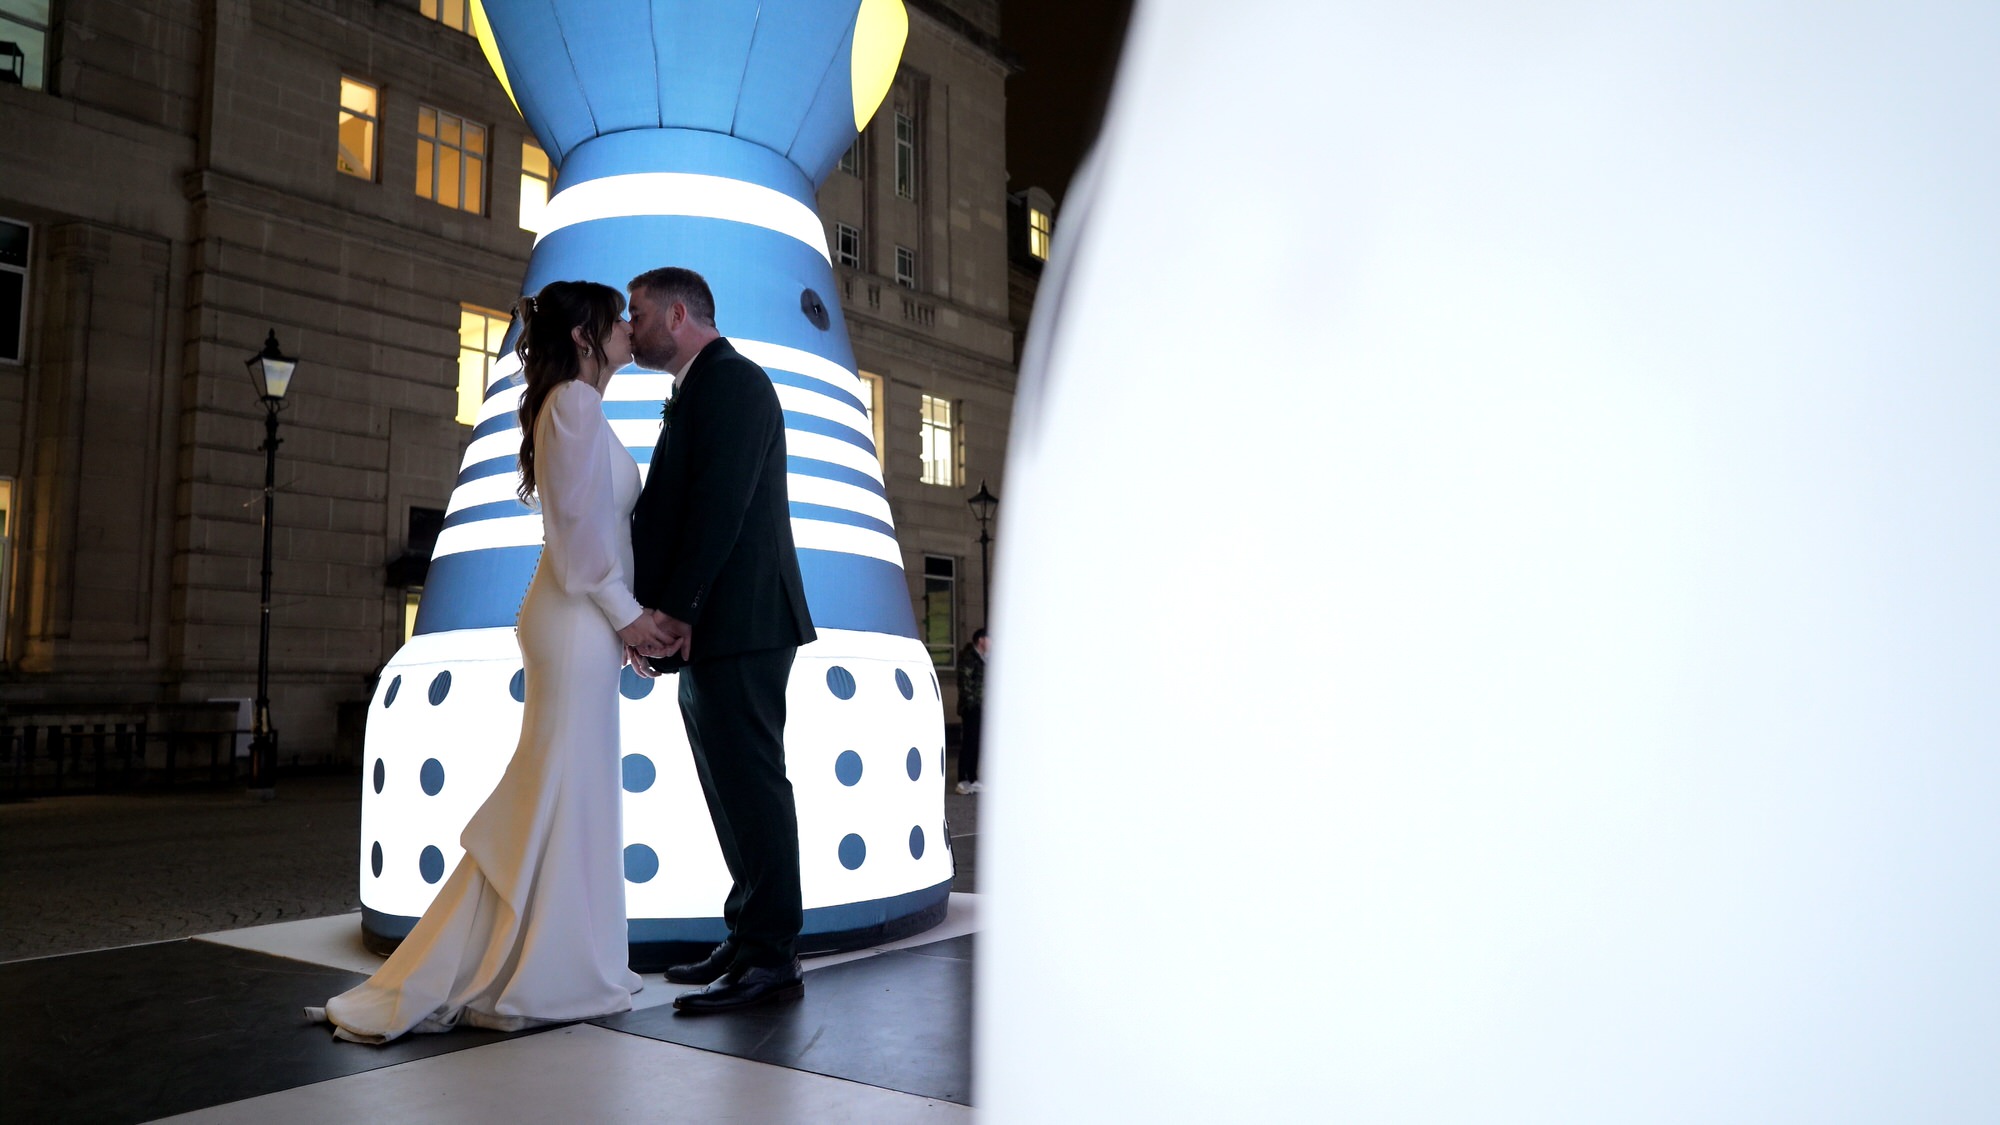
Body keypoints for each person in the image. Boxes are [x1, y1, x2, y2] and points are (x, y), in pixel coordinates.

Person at [309, 280, 676, 1043]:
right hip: (574, 619)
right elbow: (580, 545)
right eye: (617, 323)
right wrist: (632, 621)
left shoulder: (577, 406)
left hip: (580, 623)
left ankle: (555, 957)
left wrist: (621, 626)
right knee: (557, 790)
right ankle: (545, 964)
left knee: (563, 791)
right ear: (585, 337)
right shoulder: (574, 406)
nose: (627, 335)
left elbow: (592, 542)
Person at [625, 266, 817, 1014]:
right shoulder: (705, 385)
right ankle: (748, 935)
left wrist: (675, 610)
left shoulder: (735, 381)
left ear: (677, 315)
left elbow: (720, 508)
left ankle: (773, 954)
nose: (630, 326)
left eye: (637, 313)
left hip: (742, 621)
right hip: (721, 623)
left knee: (753, 783)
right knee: (729, 786)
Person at [955, 629, 989, 794]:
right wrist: (971, 703)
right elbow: (964, 682)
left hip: (981, 707)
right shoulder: (969, 657)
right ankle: (962, 779)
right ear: (981, 640)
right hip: (971, 707)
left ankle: (973, 777)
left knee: (977, 743)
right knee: (969, 742)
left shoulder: (984, 658)